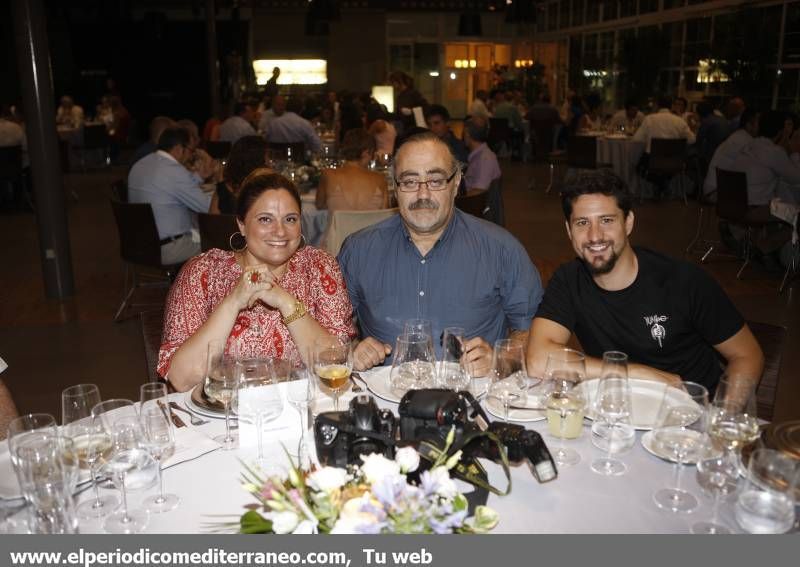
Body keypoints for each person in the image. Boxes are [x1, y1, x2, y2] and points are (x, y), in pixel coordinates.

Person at [526, 169, 763, 393]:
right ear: (568, 230)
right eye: (582, 223)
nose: (595, 235)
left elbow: (747, 356)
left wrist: (722, 419)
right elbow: (538, 360)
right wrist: (641, 374)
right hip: (619, 413)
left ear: (628, 222)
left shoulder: (683, 281)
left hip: (690, 417)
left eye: (607, 220)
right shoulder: (568, 281)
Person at [337, 131, 543, 376]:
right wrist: (352, 350)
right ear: (394, 188)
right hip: (385, 398)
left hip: (471, 399)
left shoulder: (501, 249)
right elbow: (329, 332)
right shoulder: (359, 250)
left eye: (435, 181)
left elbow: (535, 333)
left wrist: (500, 358)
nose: (423, 195)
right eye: (410, 182)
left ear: (455, 185)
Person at [158, 171, 356, 391]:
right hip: (224, 415)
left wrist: (286, 302)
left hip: (297, 409)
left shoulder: (319, 267)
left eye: (290, 219)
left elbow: (337, 363)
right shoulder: (203, 273)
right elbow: (181, 379)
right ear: (242, 224)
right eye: (265, 219)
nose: (280, 231)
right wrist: (233, 301)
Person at [128, 127, 216, 265]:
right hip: (169, 248)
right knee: (223, 240)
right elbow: (208, 208)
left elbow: (171, 187)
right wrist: (224, 190)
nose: (190, 156)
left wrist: (199, 177)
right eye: (190, 151)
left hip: (138, 244)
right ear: (179, 149)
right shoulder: (174, 171)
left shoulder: (140, 164)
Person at [316, 128, 388, 211]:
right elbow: (385, 216)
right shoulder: (380, 180)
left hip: (340, 224)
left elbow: (319, 205)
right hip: (372, 224)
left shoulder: (328, 175)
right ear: (366, 152)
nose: (373, 158)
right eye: (373, 154)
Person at [703, 107, 758, 197]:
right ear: (749, 125)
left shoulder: (739, 136)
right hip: (717, 191)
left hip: (714, 187)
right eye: (758, 124)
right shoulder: (746, 141)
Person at [210, 135, 269, 215]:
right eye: (267, 156)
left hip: (225, 227)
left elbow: (211, 222)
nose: (268, 161)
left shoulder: (222, 190)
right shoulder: (264, 191)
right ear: (260, 160)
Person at [463, 117, 503, 225]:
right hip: (473, 209)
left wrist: (456, 200)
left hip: (476, 213)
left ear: (467, 134)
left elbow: (479, 192)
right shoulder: (480, 155)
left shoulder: (485, 159)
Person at [695, 101, 732, 170]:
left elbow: (698, 140)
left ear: (699, 113)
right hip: (726, 153)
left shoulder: (706, 121)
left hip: (713, 154)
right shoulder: (722, 119)